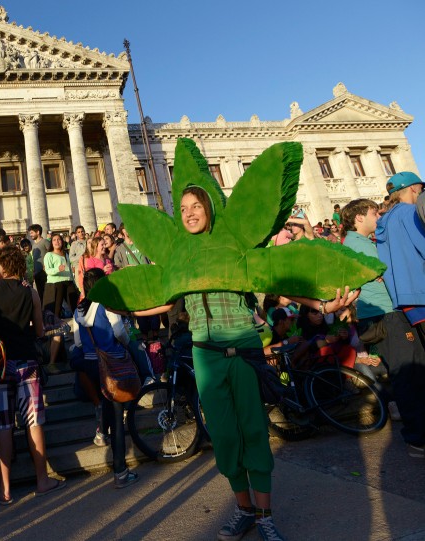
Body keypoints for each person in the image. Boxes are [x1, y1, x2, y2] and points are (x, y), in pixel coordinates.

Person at [124, 186, 357, 541]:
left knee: (252, 430)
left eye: (196, 206)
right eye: (183, 208)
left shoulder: (234, 247)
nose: (188, 213)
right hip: (205, 355)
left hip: (244, 350)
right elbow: (167, 301)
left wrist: (323, 306)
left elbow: (273, 279)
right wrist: (128, 307)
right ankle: (244, 509)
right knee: (224, 436)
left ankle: (264, 516)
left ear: (209, 210)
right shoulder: (180, 256)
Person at [0, 245, 65, 504]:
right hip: (27, 362)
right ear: (21, 267)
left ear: (2, 266)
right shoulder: (32, 293)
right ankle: (42, 480)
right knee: (34, 422)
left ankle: (3, 490)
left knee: (3, 426)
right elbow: (38, 331)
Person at [372, 173, 425, 457]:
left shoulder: (384, 220)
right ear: (412, 189)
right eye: (420, 188)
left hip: (404, 300)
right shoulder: (408, 213)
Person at [74, 268, 139, 488]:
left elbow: (78, 342)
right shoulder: (107, 305)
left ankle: (101, 431)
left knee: (104, 406)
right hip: (111, 364)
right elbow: (120, 332)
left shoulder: (79, 311)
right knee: (118, 420)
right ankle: (120, 470)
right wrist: (129, 345)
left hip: (90, 363)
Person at [43, 232, 78, 319]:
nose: (57, 242)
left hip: (68, 282)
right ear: (51, 243)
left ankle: (80, 326)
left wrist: (74, 282)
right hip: (56, 284)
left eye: (58, 239)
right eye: (54, 240)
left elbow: (70, 270)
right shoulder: (49, 255)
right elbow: (48, 271)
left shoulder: (66, 254)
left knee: (75, 306)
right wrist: (58, 269)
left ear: (62, 242)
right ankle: (55, 329)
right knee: (56, 309)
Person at [28, 224, 52, 301]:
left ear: (38, 232)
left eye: (31, 232)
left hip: (45, 273)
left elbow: (51, 254)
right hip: (37, 273)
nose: (30, 235)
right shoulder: (34, 245)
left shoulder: (45, 241)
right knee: (41, 294)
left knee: (48, 294)